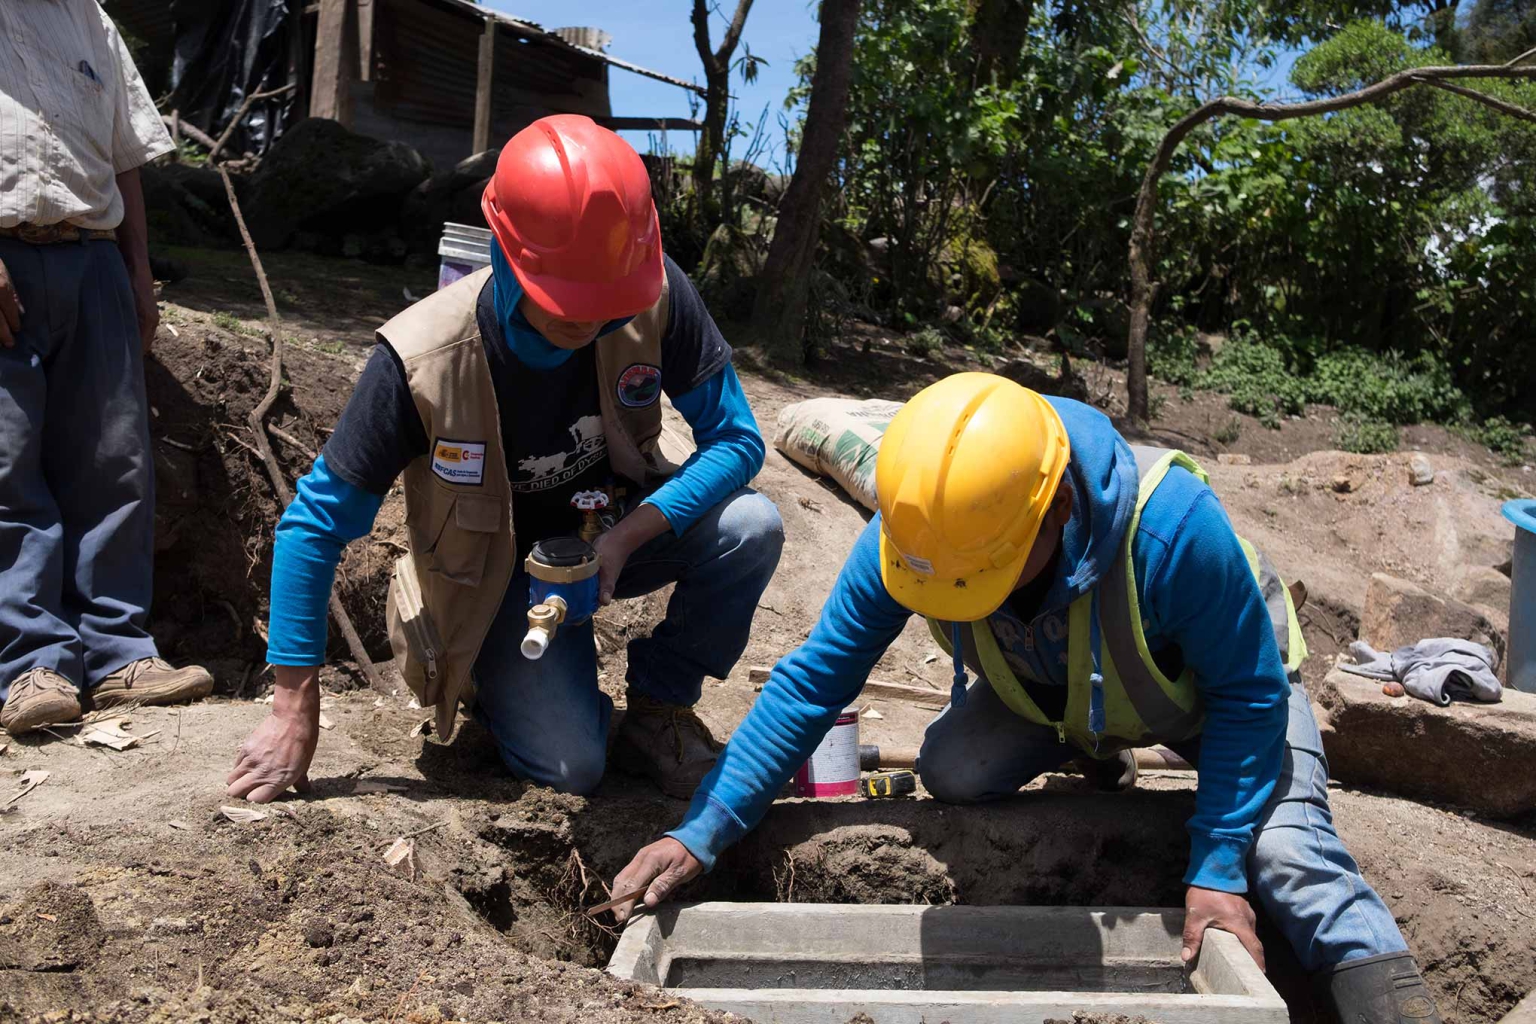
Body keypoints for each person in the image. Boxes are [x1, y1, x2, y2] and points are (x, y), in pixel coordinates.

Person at [611, 372, 1443, 1024]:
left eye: (986, 579)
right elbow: (812, 680)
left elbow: (1249, 697)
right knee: (954, 767)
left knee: (1288, 859)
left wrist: (1218, 868)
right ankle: (1101, 753)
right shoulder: (920, 534)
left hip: (1223, 702)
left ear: (1059, 508)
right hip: (1066, 701)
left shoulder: (1173, 529)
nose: (967, 596)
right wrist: (703, 830)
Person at [227, 115, 782, 802]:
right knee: (572, 769)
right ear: (505, 251)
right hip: (493, 584)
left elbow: (738, 441)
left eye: (610, 304)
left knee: (750, 527)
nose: (595, 321)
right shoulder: (421, 359)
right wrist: (292, 710)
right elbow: (312, 527)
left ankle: (659, 710)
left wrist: (623, 539)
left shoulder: (650, 288)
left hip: (613, 534)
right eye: (571, 304)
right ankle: (496, 685)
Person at [0, 0, 214, 736]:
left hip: (93, 262)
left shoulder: (88, 19)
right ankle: (30, 664)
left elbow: (125, 159)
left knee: (114, 463)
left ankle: (119, 652)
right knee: (7, 469)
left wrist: (138, 272)